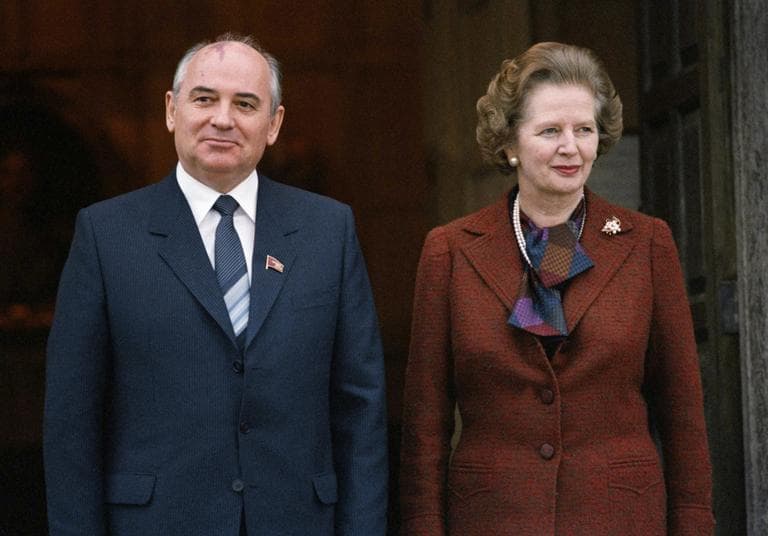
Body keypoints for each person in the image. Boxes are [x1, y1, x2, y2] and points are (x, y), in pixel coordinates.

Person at [44, 32, 388, 536]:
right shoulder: (106, 234)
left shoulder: (326, 231)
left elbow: (360, 410)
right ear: (171, 111)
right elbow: (72, 420)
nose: (222, 119)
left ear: (273, 125)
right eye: (204, 99)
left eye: (245, 104)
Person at [399, 42, 714, 535]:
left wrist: (693, 525)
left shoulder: (647, 243)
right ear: (510, 144)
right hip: (492, 519)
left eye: (584, 129)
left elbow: (683, 413)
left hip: (620, 517)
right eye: (550, 131)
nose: (571, 147)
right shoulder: (451, 250)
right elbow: (425, 422)